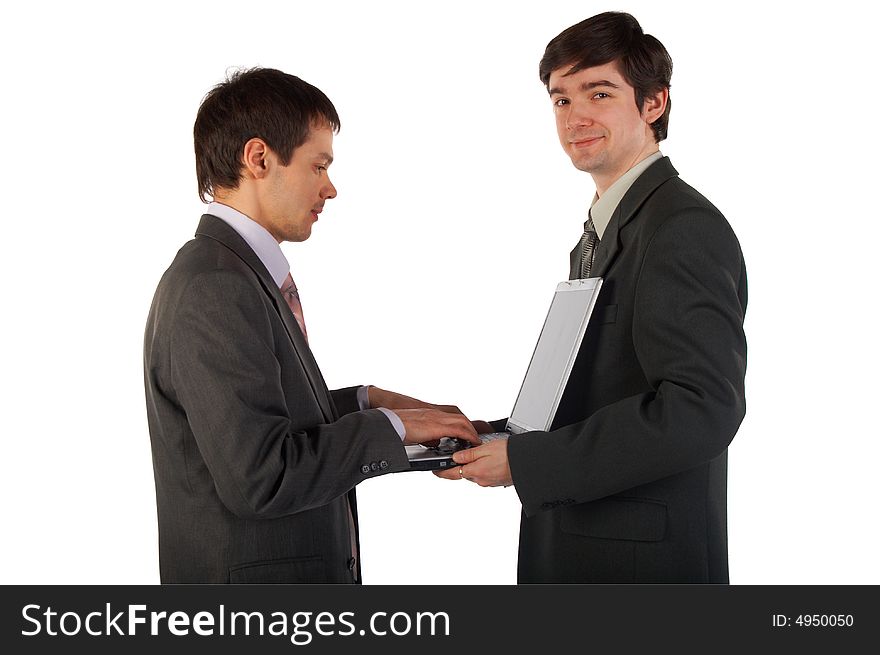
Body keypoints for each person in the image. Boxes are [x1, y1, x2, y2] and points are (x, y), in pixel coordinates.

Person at [437, 12, 747, 583]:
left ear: (653, 104)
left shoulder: (680, 227)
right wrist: (500, 436)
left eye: (598, 93)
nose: (574, 117)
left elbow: (701, 409)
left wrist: (529, 463)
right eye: (560, 100)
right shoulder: (607, 229)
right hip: (586, 548)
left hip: (640, 572)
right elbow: (603, 391)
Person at [143, 68, 479, 584]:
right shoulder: (214, 286)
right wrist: (391, 430)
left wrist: (364, 401)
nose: (331, 188)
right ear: (258, 159)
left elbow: (258, 421)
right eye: (318, 165)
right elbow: (262, 477)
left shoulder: (237, 274)